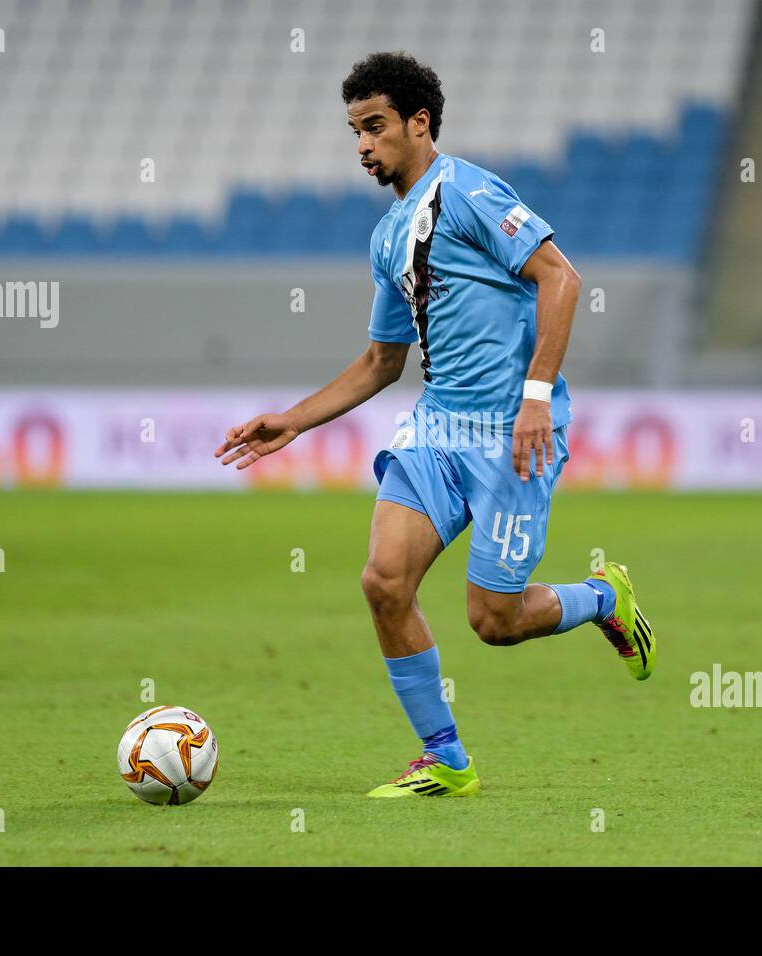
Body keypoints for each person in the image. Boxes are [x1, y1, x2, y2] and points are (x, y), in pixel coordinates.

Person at [215, 52, 655, 798]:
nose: (362, 145)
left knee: (496, 620)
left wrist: (537, 397)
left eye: (375, 127)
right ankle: (446, 761)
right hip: (438, 430)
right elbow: (383, 361)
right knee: (384, 582)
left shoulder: (472, 194)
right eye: (354, 131)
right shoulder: (388, 238)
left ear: (419, 124)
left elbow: (561, 277)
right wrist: (292, 421)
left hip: (513, 433)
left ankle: (604, 598)